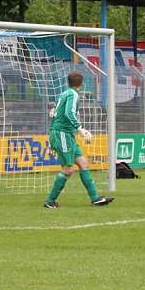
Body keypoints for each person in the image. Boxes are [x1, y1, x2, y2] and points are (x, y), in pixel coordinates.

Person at [44, 71, 114, 208]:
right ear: (82, 84)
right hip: (62, 133)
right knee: (68, 169)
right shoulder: (74, 94)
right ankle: (49, 201)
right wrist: (80, 129)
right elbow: (68, 113)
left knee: (83, 164)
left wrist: (52, 139)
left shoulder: (63, 94)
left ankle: (95, 199)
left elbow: (55, 115)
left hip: (65, 134)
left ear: (68, 82)